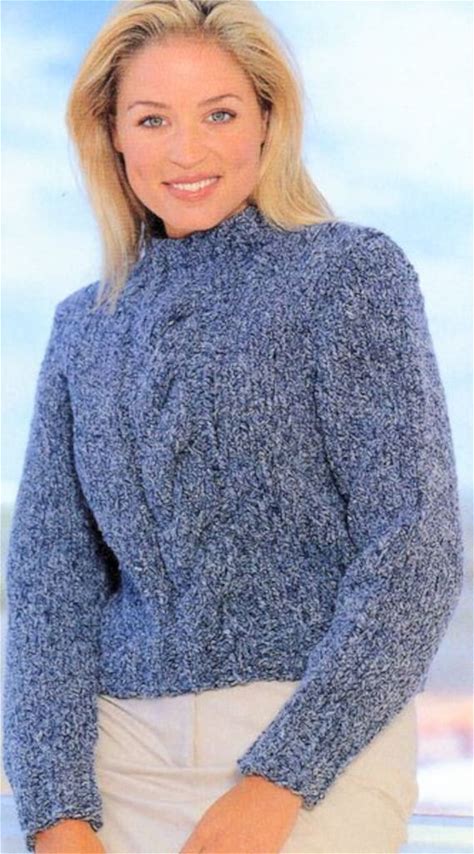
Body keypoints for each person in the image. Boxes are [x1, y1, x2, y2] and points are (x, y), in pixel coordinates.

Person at [2, 0, 464, 852]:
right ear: (112, 135)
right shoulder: (82, 327)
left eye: (219, 113)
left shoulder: (349, 276)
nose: (188, 151)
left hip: (318, 739)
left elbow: (416, 549)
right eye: (153, 119)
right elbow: (48, 587)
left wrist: (279, 778)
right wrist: (57, 813)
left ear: (267, 121)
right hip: (117, 753)